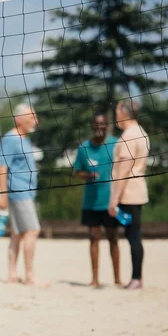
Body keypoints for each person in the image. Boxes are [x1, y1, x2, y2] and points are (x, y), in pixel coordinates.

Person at [0, 103, 45, 286]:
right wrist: (3, 195)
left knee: (17, 233)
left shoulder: (24, 138)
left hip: (26, 191)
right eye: (31, 117)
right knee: (33, 230)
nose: (36, 121)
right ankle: (30, 276)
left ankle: (12, 275)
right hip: (18, 190)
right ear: (18, 119)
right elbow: (2, 168)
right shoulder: (11, 139)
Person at [73, 114, 120, 288]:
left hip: (110, 201)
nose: (99, 127)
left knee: (113, 238)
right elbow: (78, 171)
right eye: (96, 124)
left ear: (107, 126)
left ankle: (117, 279)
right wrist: (88, 175)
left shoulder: (116, 143)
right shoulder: (84, 147)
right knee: (94, 238)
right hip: (91, 202)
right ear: (92, 126)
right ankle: (95, 279)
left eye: (102, 124)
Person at [108, 100, 150, 290]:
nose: (116, 115)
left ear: (124, 113)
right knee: (133, 233)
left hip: (128, 193)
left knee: (133, 235)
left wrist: (114, 200)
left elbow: (124, 170)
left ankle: (136, 278)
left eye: (117, 111)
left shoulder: (129, 136)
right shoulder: (141, 132)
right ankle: (136, 277)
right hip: (136, 191)